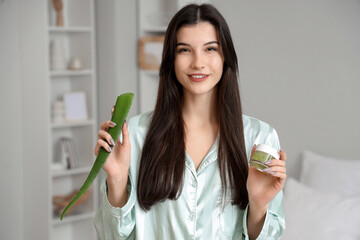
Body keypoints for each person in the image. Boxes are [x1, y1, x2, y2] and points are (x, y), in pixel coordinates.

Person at [94, 3, 286, 240]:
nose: (198, 62)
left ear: (225, 56)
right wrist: (117, 179)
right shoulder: (133, 136)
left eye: (210, 49)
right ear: (171, 59)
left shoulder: (260, 138)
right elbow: (109, 236)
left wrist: (258, 205)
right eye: (184, 50)